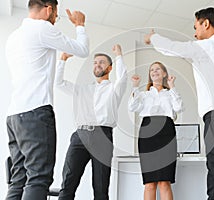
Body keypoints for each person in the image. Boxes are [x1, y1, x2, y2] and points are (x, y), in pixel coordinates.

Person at [144, 7, 214, 200]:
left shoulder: (210, 46)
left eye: (196, 27)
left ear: (206, 24)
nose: (194, 33)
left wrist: (153, 37)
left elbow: (174, 48)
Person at [5, 0, 89, 199]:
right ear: (49, 9)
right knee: (38, 178)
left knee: (19, 178)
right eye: (56, 16)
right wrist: (80, 25)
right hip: (35, 113)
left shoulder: (14, 36)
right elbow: (82, 49)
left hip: (14, 116)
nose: (54, 20)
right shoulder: (42, 27)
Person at [55, 44, 127, 200]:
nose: (97, 65)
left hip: (102, 137)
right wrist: (62, 60)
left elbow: (123, 77)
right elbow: (58, 83)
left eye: (101, 62)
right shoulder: (82, 89)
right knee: (68, 184)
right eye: (95, 62)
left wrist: (119, 55)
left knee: (101, 188)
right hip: (79, 136)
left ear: (109, 68)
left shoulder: (114, 89)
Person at [128, 62, 183, 200]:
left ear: (164, 73)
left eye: (157, 69)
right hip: (147, 134)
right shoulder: (144, 94)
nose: (154, 71)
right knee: (150, 183)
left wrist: (172, 87)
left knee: (165, 182)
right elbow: (132, 107)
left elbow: (179, 107)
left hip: (167, 133)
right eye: (152, 70)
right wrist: (135, 87)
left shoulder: (170, 93)